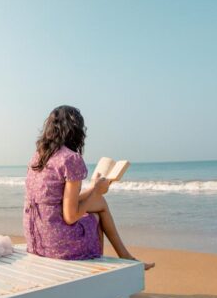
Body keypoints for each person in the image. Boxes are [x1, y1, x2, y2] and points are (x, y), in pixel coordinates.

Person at [23, 105, 155, 270]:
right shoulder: (70, 159)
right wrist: (97, 191)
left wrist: (93, 190)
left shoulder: (38, 157)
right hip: (56, 244)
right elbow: (70, 216)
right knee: (95, 217)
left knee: (100, 202)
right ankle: (104, 265)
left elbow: (55, 201)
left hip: (36, 239)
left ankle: (126, 257)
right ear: (75, 130)